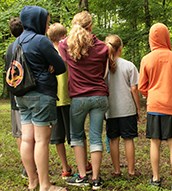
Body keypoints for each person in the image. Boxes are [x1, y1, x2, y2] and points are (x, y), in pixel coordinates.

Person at [14, 6, 67, 191]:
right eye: (46, 21)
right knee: (42, 140)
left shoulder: (15, 42)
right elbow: (60, 66)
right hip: (41, 94)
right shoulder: (40, 41)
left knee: (27, 139)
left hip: (21, 96)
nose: (47, 25)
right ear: (37, 21)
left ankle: (32, 182)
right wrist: (49, 68)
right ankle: (45, 185)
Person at [58, 11, 109, 190]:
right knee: (96, 137)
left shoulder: (66, 45)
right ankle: (96, 178)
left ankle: (81, 176)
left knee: (77, 136)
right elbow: (103, 71)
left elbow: (61, 60)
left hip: (78, 98)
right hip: (99, 96)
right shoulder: (103, 47)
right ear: (91, 26)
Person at [138, 23, 172, 191]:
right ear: (166, 36)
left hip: (153, 106)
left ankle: (155, 178)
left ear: (151, 38)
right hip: (171, 105)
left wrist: (151, 95)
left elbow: (141, 86)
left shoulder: (146, 59)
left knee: (155, 142)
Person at [105, 35, 141, 179]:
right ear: (121, 48)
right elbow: (134, 89)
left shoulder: (103, 66)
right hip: (127, 109)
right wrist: (138, 108)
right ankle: (131, 171)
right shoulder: (129, 65)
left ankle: (116, 171)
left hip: (110, 110)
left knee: (113, 140)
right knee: (128, 139)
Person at [47, 23, 73, 180]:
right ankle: (84, 164)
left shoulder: (47, 53)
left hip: (53, 99)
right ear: (63, 37)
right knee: (75, 135)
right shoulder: (69, 52)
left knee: (57, 137)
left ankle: (65, 168)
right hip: (69, 98)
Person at [4, 17, 28, 179]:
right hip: (30, 94)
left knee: (20, 134)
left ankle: (26, 167)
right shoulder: (28, 46)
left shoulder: (9, 50)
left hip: (15, 95)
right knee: (30, 133)